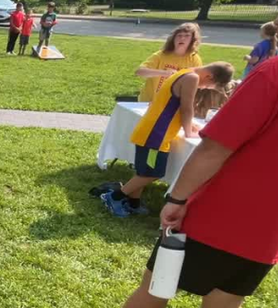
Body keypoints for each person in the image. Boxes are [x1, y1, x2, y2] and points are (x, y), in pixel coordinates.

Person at [72, 0, 278, 308]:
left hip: (224, 212)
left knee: (159, 281)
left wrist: (176, 197)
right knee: (228, 299)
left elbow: (215, 147)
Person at [99, 63, 235, 218]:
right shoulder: (192, 78)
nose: (203, 88)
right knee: (153, 173)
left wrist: (191, 125)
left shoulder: (186, 71)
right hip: (156, 134)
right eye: (208, 86)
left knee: (144, 171)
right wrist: (189, 131)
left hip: (153, 130)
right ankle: (114, 197)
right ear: (209, 76)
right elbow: (186, 107)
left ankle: (133, 202)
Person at [135, 23, 203, 101]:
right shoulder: (161, 55)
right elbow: (139, 71)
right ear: (173, 39)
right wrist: (166, 73)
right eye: (179, 35)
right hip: (149, 100)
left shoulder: (194, 59)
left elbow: (198, 83)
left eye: (187, 36)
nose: (182, 38)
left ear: (193, 40)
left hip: (173, 103)